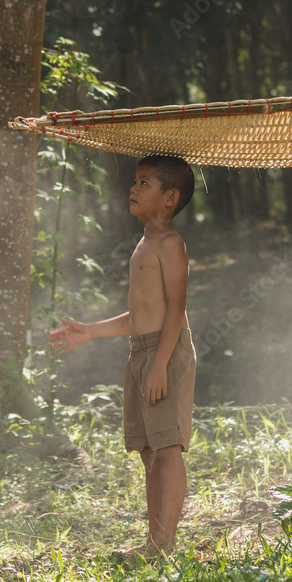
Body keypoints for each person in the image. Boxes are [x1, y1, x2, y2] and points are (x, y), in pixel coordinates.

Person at [50, 154, 197, 552]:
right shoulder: (144, 243)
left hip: (165, 352)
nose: (133, 188)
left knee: (167, 449)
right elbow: (140, 313)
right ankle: (154, 541)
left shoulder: (171, 244)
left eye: (144, 183)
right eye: (135, 181)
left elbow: (175, 310)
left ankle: (163, 546)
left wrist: (160, 366)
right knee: (149, 451)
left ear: (170, 198)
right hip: (141, 352)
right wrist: (90, 332)